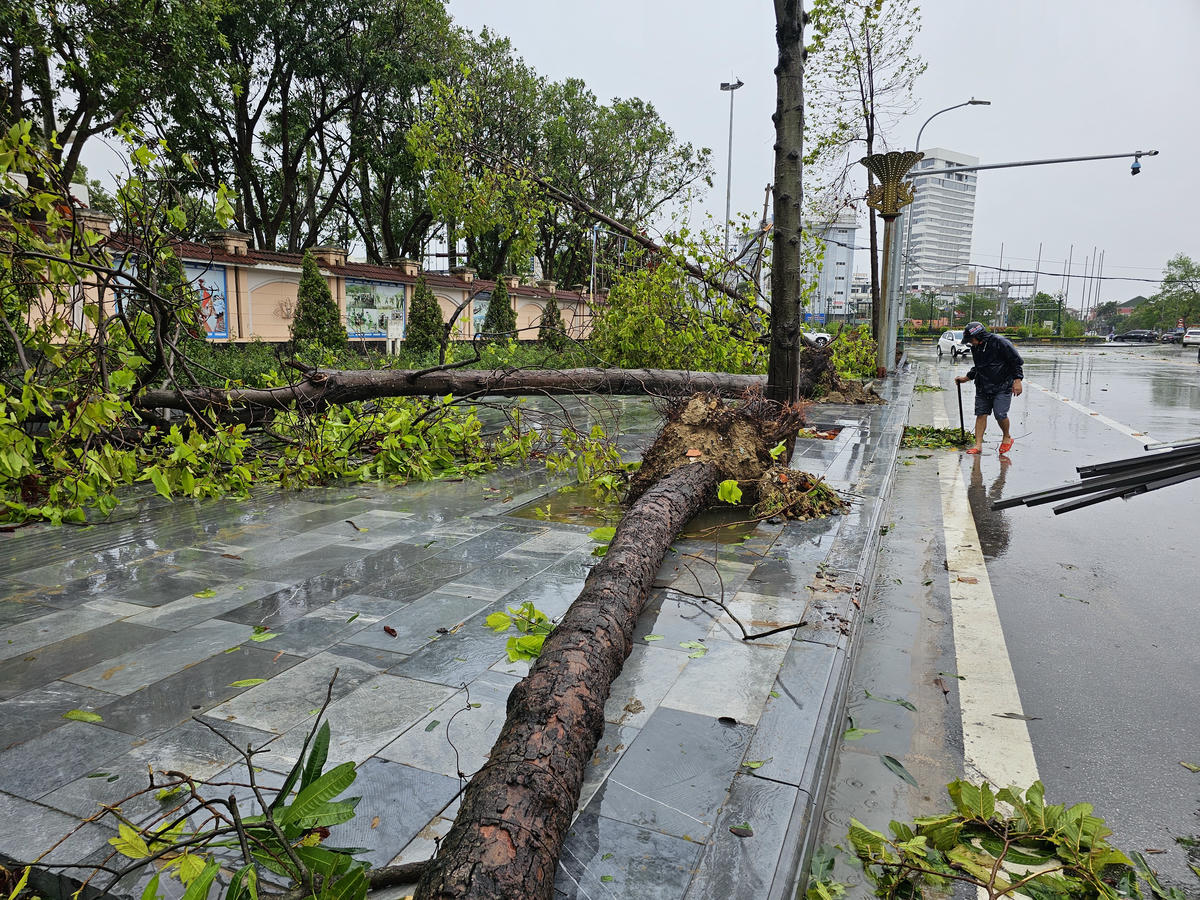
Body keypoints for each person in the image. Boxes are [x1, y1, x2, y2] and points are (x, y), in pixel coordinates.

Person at [954, 321, 1024, 455]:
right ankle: (978, 445)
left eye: (971, 339)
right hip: (983, 386)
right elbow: (979, 366)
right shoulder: (976, 347)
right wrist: (966, 378)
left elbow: (1015, 362)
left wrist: (1017, 380)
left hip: (1002, 385)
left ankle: (1006, 436)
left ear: (979, 336)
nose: (970, 342)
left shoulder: (1000, 342)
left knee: (1000, 414)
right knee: (981, 414)